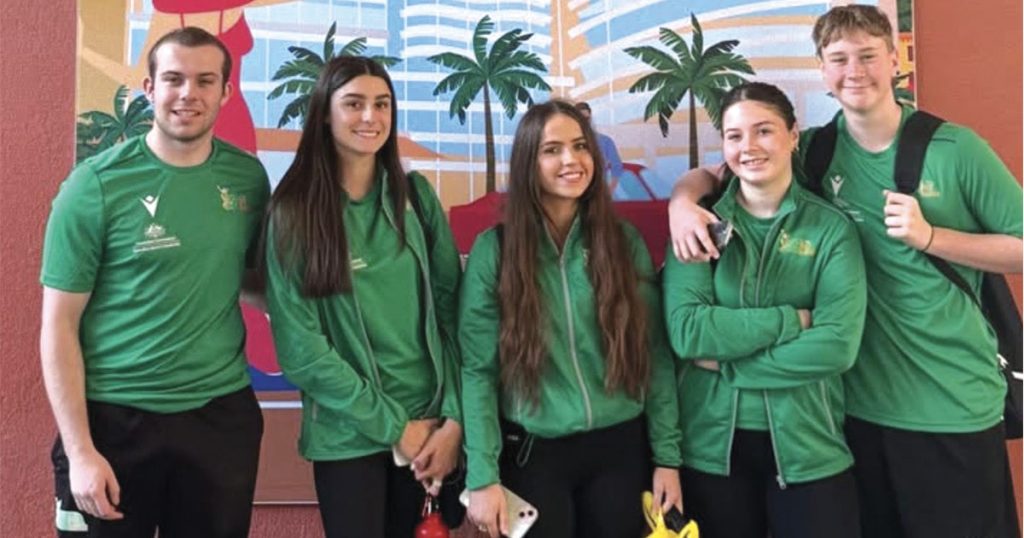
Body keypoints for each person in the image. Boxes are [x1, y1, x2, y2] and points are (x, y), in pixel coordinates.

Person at [668, 6, 1023, 537]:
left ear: (895, 60)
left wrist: (932, 238)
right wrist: (682, 204)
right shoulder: (814, 150)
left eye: (867, 56)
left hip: (949, 402)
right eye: (838, 59)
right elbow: (724, 170)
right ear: (822, 70)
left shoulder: (956, 149)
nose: (854, 71)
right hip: (854, 412)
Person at [40, 27, 268, 537]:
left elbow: (253, 280)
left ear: (226, 92)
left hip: (219, 418)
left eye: (204, 81)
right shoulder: (93, 186)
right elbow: (58, 325)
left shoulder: (248, 179)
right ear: (149, 87)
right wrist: (80, 451)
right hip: (114, 422)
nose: (189, 93)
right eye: (174, 79)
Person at [460, 99, 682, 538]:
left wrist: (667, 459)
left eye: (580, 146)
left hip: (620, 450)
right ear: (529, 162)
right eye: (552, 149)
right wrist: (482, 474)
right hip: (535, 455)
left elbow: (653, 355)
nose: (571, 160)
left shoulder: (622, 242)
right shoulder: (495, 250)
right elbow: (477, 370)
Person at [262, 56, 464, 538]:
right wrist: (396, 427)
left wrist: (456, 423)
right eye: (353, 104)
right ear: (324, 114)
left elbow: (456, 316)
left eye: (382, 104)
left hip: (431, 428)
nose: (370, 116)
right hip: (349, 435)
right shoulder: (293, 215)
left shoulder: (416, 198)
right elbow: (302, 351)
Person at [663, 82, 866, 538]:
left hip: (810, 446)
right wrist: (792, 320)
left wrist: (729, 365)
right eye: (734, 136)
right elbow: (689, 332)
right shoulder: (696, 224)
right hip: (711, 450)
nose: (748, 147)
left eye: (764, 131)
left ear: (793, 135)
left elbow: (836, 346)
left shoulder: (831, 230)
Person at [575, 101, 625, 185]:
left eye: (587, 118)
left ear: (590, 118)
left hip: (598, 188)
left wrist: (610, 189)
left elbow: (617, 166)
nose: (584, 122)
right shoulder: (566, 143)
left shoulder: (605, 141)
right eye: (581, 118)